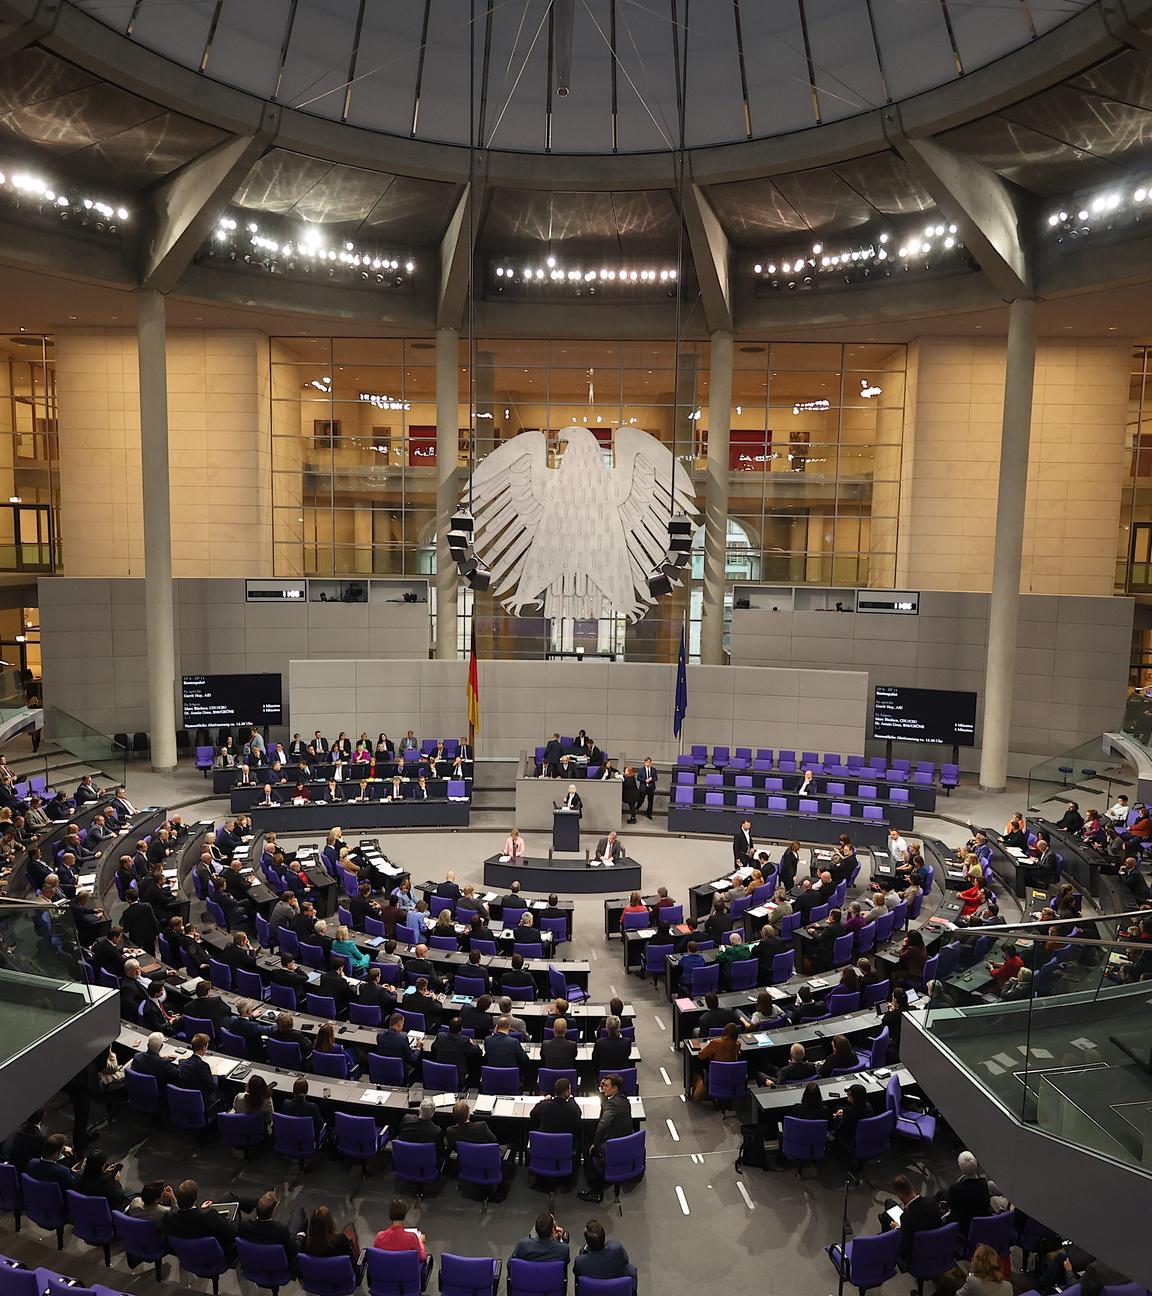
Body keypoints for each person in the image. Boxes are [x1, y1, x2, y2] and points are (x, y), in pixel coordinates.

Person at [579, 1073, 633, 1203]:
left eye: (606, 1086)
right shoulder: (624, 1100)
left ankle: (596, 1192)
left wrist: (595, 1144)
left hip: (613, 1145)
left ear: (615, 1088)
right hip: (626, 1142)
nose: (603, 1088)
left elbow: (603, 1125)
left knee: (587, 1150)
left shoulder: (611, 1105)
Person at [164, 1179, 238, 1261]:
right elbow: (232, 1232)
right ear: (196, 1196)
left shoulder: (169, 1217)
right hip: (213, 1256)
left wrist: (201, 1209)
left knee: (226, 1197)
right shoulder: (208, 1215)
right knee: (234, 1214)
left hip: (187, 1256)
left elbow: (184, 1215)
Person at [879, 1173, 944, 1262]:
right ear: (912, 1187)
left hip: (917, 1255)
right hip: (937, 1245)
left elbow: (905, 1247)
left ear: (900, 1196)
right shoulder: (933, 1203)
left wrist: (897, 1229)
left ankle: (884, 1244)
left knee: (886, 1217)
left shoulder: (906, 1217)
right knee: (889, 1202)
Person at [943, 1150, 992, 1238]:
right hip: (982, 1224)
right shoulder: (984, 1184)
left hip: (965, 1227)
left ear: (960, 1167)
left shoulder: (956, 1189)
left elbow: (951, 1206)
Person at [240, 1191, 299, 1259]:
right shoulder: (281, 1231)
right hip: (276, 1266)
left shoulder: (244, 1226)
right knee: (298, 1213)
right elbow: (293, 1251)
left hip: (251, 1261)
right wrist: (300, 1237)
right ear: (274, 1210)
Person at [530, 1076, 583, 1147]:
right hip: (564, 1148)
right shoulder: (572, 1108)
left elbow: (532, 1114)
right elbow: (578, 1114)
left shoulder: (544, 1105)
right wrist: (571, 1099)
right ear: (567, 1092)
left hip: (544, 1147)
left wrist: (543, 1101)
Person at [373, 1198, 428, 1264]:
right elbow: (421, 1258)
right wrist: (420, 1242)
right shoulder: (411, 1238)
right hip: (405, 1273)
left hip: (384, 1272)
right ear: (405, 1214)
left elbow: (375, 1257)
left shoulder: (379, 1236)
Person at [431, 1016, 479, 1086]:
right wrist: (473, 1044)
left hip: (440, 1072)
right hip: (458, 1076)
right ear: (461, 1028)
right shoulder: (465, 1040)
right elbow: (477, 1052)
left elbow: (433, 1049)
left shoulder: (440, 1036)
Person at [832, 1084, 870, 1154]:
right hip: (867, 1136)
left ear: (854, 1097)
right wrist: (844, 1111)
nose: (847, 1094)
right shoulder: (868, 1107)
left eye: (849, 1093)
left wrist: (837, 1118)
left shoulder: (849, 1113)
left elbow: (842, 1129)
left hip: (852, 1137)